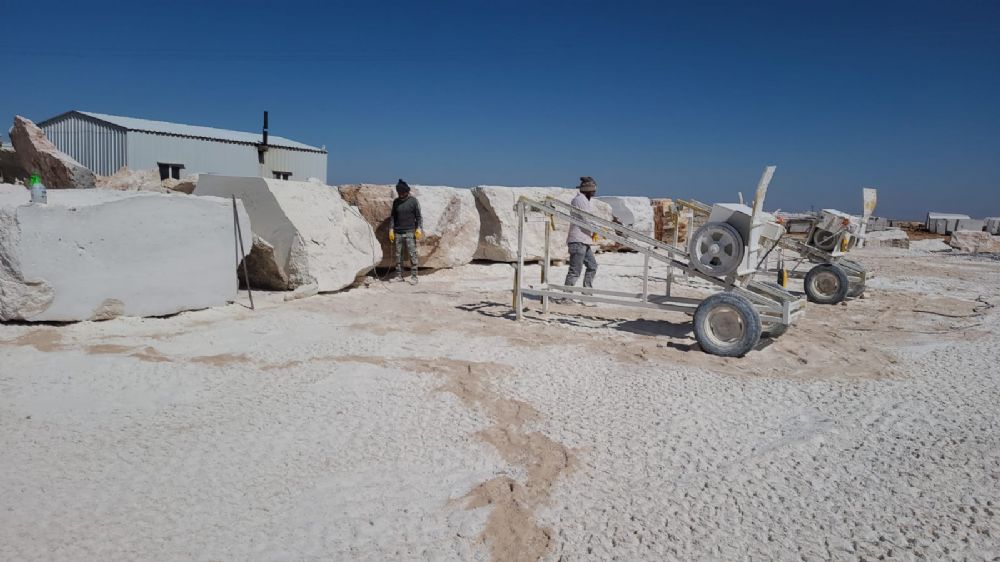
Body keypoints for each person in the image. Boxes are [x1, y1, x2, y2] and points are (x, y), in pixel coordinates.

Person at [564, 176, 599, 301]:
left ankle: (587, 293)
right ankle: (567, 297)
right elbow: (586, 219)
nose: (594, 193)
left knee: (592, 266)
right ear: (588, 190)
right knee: (575, 271)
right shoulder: (580, 200)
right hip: (578, 241)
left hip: (584, 240)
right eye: (593, 190)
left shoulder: (584, 200)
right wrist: (597, 228)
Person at [388, 179, 423, 283]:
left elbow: (419, 217)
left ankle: (414, 277)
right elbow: (393, 217)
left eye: (403, 192)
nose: (401, 194)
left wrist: (419, 228)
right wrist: (391, 229)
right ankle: (399, 276)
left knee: (412, 254)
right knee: (398, 255)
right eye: (399, 192)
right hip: (398, 232)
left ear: (407, 191)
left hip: (410, 232)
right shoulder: (396, 202)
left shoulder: (413, 201)